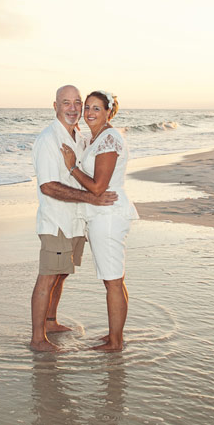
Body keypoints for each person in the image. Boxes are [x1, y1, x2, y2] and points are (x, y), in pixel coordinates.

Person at [30, 85, 118, 352]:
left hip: (75, 220)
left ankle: (51, 321)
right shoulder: (49, 140)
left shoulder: (79, 137)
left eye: (77, 103)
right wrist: (92, 199)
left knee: (60, 274)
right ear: (54, 106)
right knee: (47, 276)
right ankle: (37, 339)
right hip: (56, 220)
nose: (72, 108)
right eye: (65, 102)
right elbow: (48, 186)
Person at [60, 90, 138, 352]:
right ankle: (115, 335)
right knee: (114, 279)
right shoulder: (98, 138)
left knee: (113, 280)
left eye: (96, 108)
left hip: (108, 216)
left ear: (108, 112)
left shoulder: (108, 139)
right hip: (103, 215)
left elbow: (97, 187)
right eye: (88, 108)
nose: (90, 113)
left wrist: (72, 167)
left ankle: (115, 342)